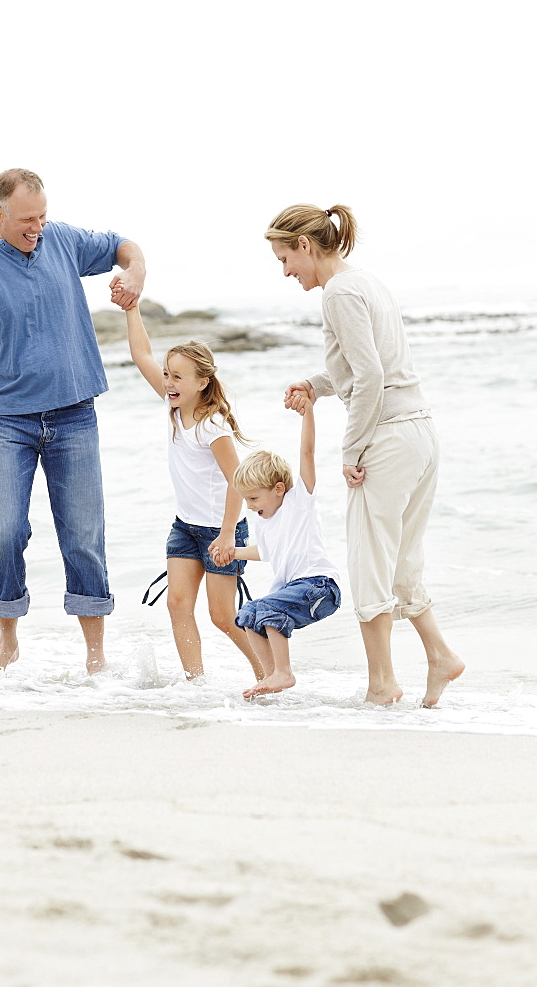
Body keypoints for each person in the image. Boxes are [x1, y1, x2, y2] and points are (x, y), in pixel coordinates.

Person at [0, 168, 145, 679]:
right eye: (26, 219)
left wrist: (135, 273)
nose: (37, 226)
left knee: (83, 533)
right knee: (5, 531)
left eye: (42, 215)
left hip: (76, 413)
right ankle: (9, 640)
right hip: (8, 422)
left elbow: (124, 245)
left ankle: (95, 654)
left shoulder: (61, 240)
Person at [266, 202, 465, 707]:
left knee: (368, 563)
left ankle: (382, 684)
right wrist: (314, 384)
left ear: (305, 246)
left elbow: (371, 377)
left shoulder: (338, 293)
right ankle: (440, 657)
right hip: (419, 432)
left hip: (391, 439)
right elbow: (364, 368)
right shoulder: (366, 282)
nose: (286, 271)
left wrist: (352, 449)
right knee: (401, 561)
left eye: (285, 258)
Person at [122, 303, 263, 682]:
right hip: (185, 528)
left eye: (178, 377)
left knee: (222, 617)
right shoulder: (174, 407)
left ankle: (268, 671)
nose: (168, 383)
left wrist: (228, 534)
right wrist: (131, 309)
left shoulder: (212, 427)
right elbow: (141, 355)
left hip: (222, 531)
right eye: (167, 375)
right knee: (178, 604)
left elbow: (240, 481)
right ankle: (195, 682)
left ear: (202, 382)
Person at [210, 397, 341, 698]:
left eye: (254, 499)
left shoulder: (299, 502)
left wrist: (308, 413)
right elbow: (266, 553)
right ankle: (271, 676)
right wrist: (232, 552)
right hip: (296, 589)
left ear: (278, 490)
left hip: (320, 586)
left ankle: (284, 673)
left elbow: (307, 453)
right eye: (246, 500)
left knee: (268, 608)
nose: (249, 506)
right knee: (247, 614)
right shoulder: (265, 521)